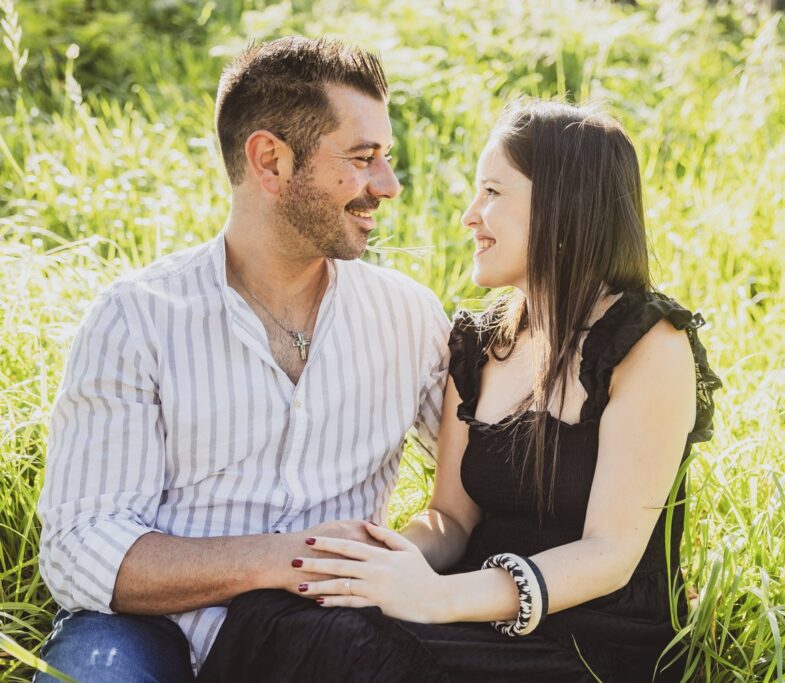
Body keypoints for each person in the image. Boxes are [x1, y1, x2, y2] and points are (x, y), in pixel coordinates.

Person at [197, 100, 721, 682]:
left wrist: (439, 600)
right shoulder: (479, 345)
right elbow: (450, 521)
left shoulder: (647, 343)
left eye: (493, 193)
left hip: (592, 644)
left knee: (350, 653)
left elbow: (609, 555)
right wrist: (367, 565)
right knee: (277, 613)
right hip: (471, 619)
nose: (471, 215)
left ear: (565, 204)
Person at [34, 37, 450, 682]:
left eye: (385, 159)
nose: (388, 187)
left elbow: (484, 484)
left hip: (324, 640)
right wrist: (285, 559)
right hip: (142, 631)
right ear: (271, 160)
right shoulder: (136, 317)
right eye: (363, 159)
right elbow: (80, 548)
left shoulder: (409, 318)